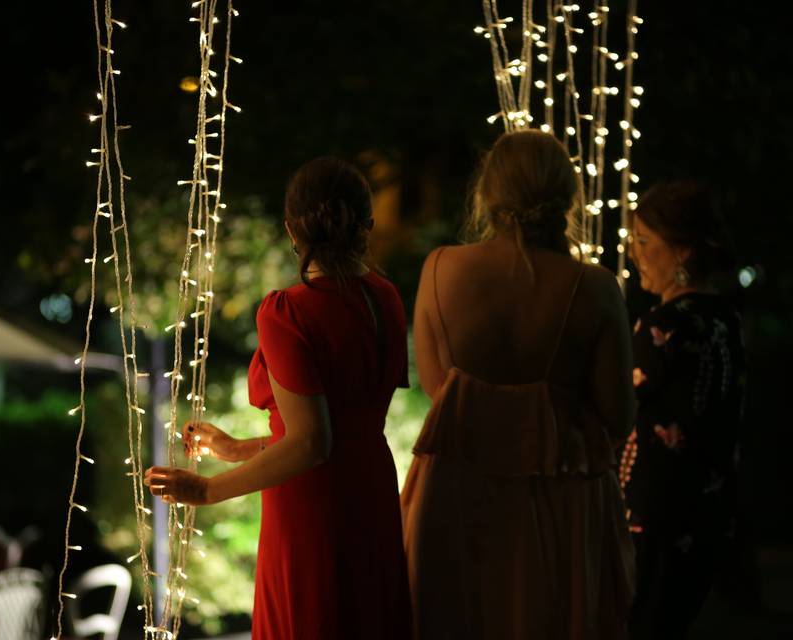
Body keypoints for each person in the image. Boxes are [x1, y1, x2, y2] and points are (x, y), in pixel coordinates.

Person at [145, 157, 412, 639]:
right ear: (365, 224)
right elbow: (336, 430)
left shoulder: (289, 311)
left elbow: (312, 444)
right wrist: (235, 450)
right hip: (371, 494)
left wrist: (207, 491)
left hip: (313, 512)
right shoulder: (385, 298)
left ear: (293, 230)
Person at [401, 129, 636, 639]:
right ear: (567, 197)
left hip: (455, 498)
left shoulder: (441, 269)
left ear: (487, 193)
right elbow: (619, 415)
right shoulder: (594, 288)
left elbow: (439, 393)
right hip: (562, 507)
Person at [625, 181, 746, 639]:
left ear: (680, 251)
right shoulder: (725, 318)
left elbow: (616, 405)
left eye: (643, 242)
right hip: (709, 509)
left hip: (654, 512)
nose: (635, 254)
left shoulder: (664, 327)